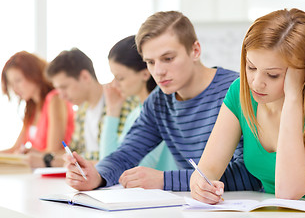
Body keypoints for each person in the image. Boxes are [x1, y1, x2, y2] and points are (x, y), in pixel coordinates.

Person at [64, 11, 262, 192]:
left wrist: (165, 180)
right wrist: (96, 176)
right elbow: (127, 153)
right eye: (150, 62)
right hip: (196, 207)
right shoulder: (159, 101)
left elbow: (250, 174)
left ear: (195, 50)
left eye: (167, 59)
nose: (158, 71)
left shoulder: (237, 91)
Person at [190, 8, 305, 205]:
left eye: (272, 75)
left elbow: (289, 191)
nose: (256, 83)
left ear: (304, 72)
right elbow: (207, 169)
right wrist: (200, 185)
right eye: (251, 67)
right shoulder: (240, 92)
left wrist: (293, 99)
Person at [99, 35, 178, 171]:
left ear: (145, 74)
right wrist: (113, 111)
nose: (114, 84)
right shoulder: (135, 114)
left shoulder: (160, 112)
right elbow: (108, 164)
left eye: (120, 78)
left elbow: (130, 170)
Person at [46, 48, 139, 162]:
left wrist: (76, 160)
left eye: (64, 87)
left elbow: (115, 156)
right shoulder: (81, 111)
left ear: (85, 77)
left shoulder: (120, 100)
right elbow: (75, 152)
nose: (62, 96)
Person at [0, 51, 74, 168]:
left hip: (56, 172)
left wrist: (32, 152)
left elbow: (53, 151)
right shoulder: (31, 109)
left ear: (34, 74)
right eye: (11, 84)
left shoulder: (55, 99)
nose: (15, 89)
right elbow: (15, 149)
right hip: (38, 173)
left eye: (18, 80)